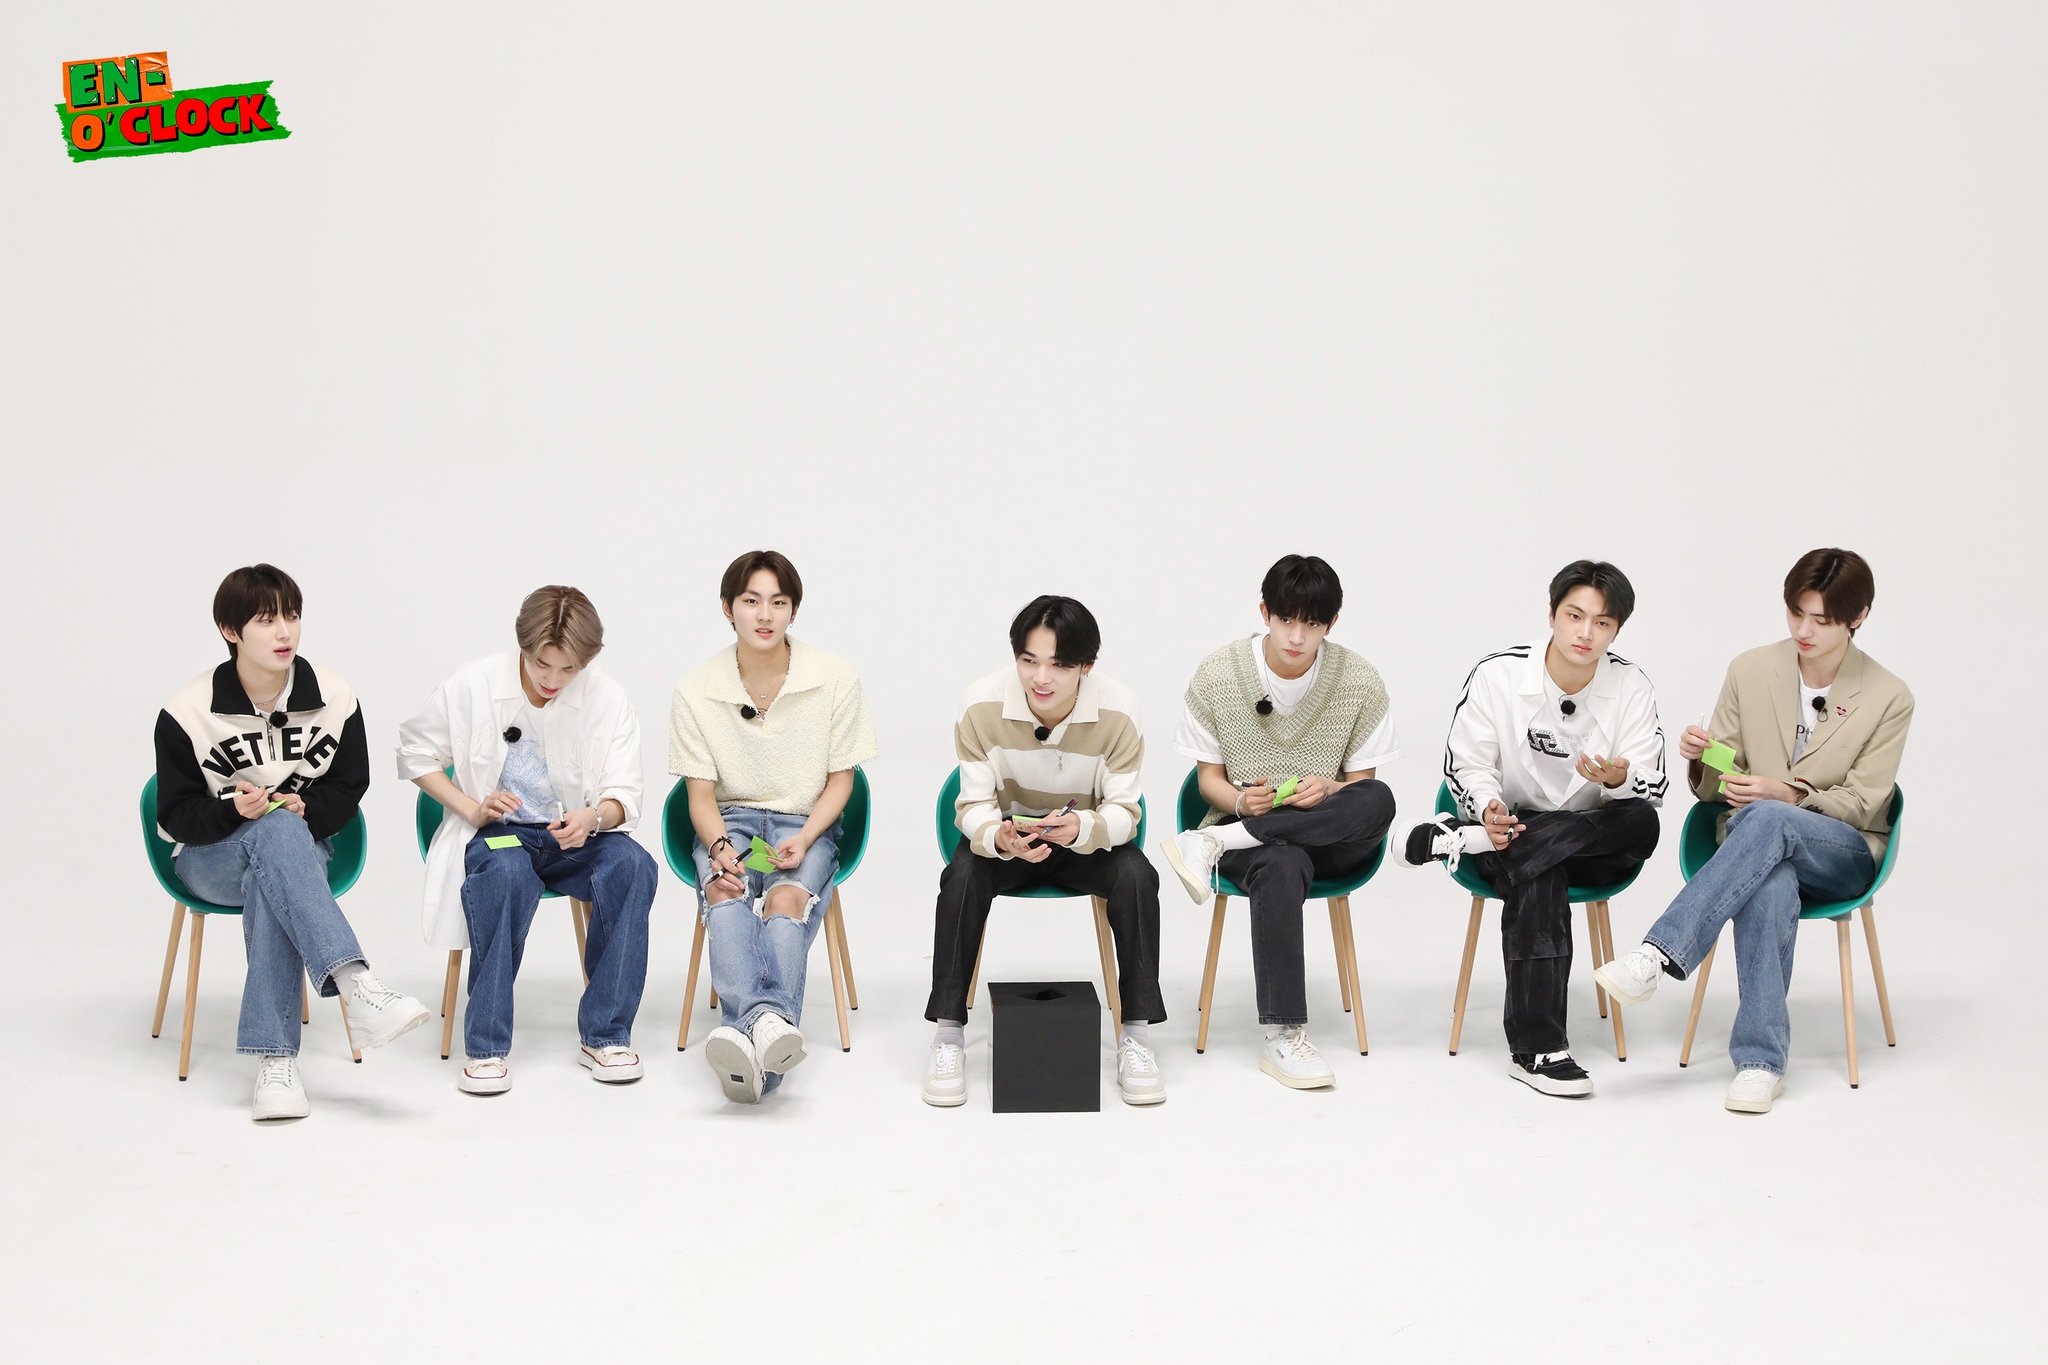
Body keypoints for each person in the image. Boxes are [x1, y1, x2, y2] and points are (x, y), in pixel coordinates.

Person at [1596, 548, 1912, 1114]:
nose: (1803, 631)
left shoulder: (1889, 696)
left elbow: (1867, 802)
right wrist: (1703, 757)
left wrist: (1789, 796)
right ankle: (1760, 1065)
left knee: (1768, 819)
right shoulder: (1750, 669)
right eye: (1796, 613)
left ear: (1858, 616)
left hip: (1842, 853)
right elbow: (1720, 784)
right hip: (1757, 849)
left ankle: (1657, 954)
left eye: (1821, 620)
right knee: (1770, 880)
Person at [154, 564, 429, 1121]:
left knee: (274, 864)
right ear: (230, 631)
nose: (285, 632)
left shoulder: (334, 695)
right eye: (266, 620)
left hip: (298, 856)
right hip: (209, 859)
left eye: (292, 616)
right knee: (274, 839)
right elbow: (175, 815)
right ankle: (356, 984)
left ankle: (276, 1061)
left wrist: (310, 808)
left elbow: (349, 785)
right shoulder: (187, 711)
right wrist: (232, 810)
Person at [1401, 560, 1667, 1098]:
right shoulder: (1498, 675)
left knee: (1641, 820)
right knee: (1542, 871)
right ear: (1551, 615)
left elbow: (1654, 785)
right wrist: (1488, 808)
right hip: (1510, 829)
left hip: (1590, 840)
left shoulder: (1631, 685)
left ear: (1617, 630)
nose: (1586, 633)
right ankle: (1539, 1051)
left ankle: (1462, 842)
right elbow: (1466, 765)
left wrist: (1620, 778)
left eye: (1602, 623)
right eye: (1575, 616)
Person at [398, 586, 656, 1095]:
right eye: (542, 664)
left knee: (633, 866)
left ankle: (606, 1036)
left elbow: (625, 793)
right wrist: (471, 807)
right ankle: (486, 1047)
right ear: (523, 647)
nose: (552, 680)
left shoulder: (607, 698)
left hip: (573, 836)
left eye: (568, 669)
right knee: (507, 873)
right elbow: (414, 753)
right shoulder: (472, 685)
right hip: (501, 836)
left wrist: (594, 817)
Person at [1160, 554, 1399, 1090]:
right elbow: (1208, 781)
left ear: (1331, 623)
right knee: (1281, 861)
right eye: (1285, 619)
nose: (1296, 636)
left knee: (1379, 799)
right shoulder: (1219, 674)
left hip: (1328, 838)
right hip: (1257, 846)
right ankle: (1283, 1035)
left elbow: (1362, 786)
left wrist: (1331, 789)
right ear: (1264, 612)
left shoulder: (1360, 680)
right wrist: (1242, 803)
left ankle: (1211, 840)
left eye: (1311, 624)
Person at [922, 596, 1166, 1108]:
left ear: (1086, 666)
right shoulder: (980, 703)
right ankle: (948, 1034)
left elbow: (1126, 813)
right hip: (1009, 839)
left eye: (1058, 665)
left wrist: (1080, 828)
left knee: (1138, 876)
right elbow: (971, 807)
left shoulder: (1119, 708)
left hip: (1084, 839)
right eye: (1029, 660)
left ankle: (1136, 1036)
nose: (1041, 678)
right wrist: (999, 838)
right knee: (960, 877)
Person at [669, 550, 877, 1104]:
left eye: (778, 603)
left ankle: (745, 1035)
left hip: (805, 822)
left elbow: (842, 780)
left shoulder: (834, 677)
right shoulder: (696, 687)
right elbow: (699, 795)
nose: (765, 615)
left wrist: (806, 838)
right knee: (725, 892)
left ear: (793, 610)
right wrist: (719, 847)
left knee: (785, 902)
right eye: (751, 601)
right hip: (730, 821)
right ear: (728, 608)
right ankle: (768, 1027)